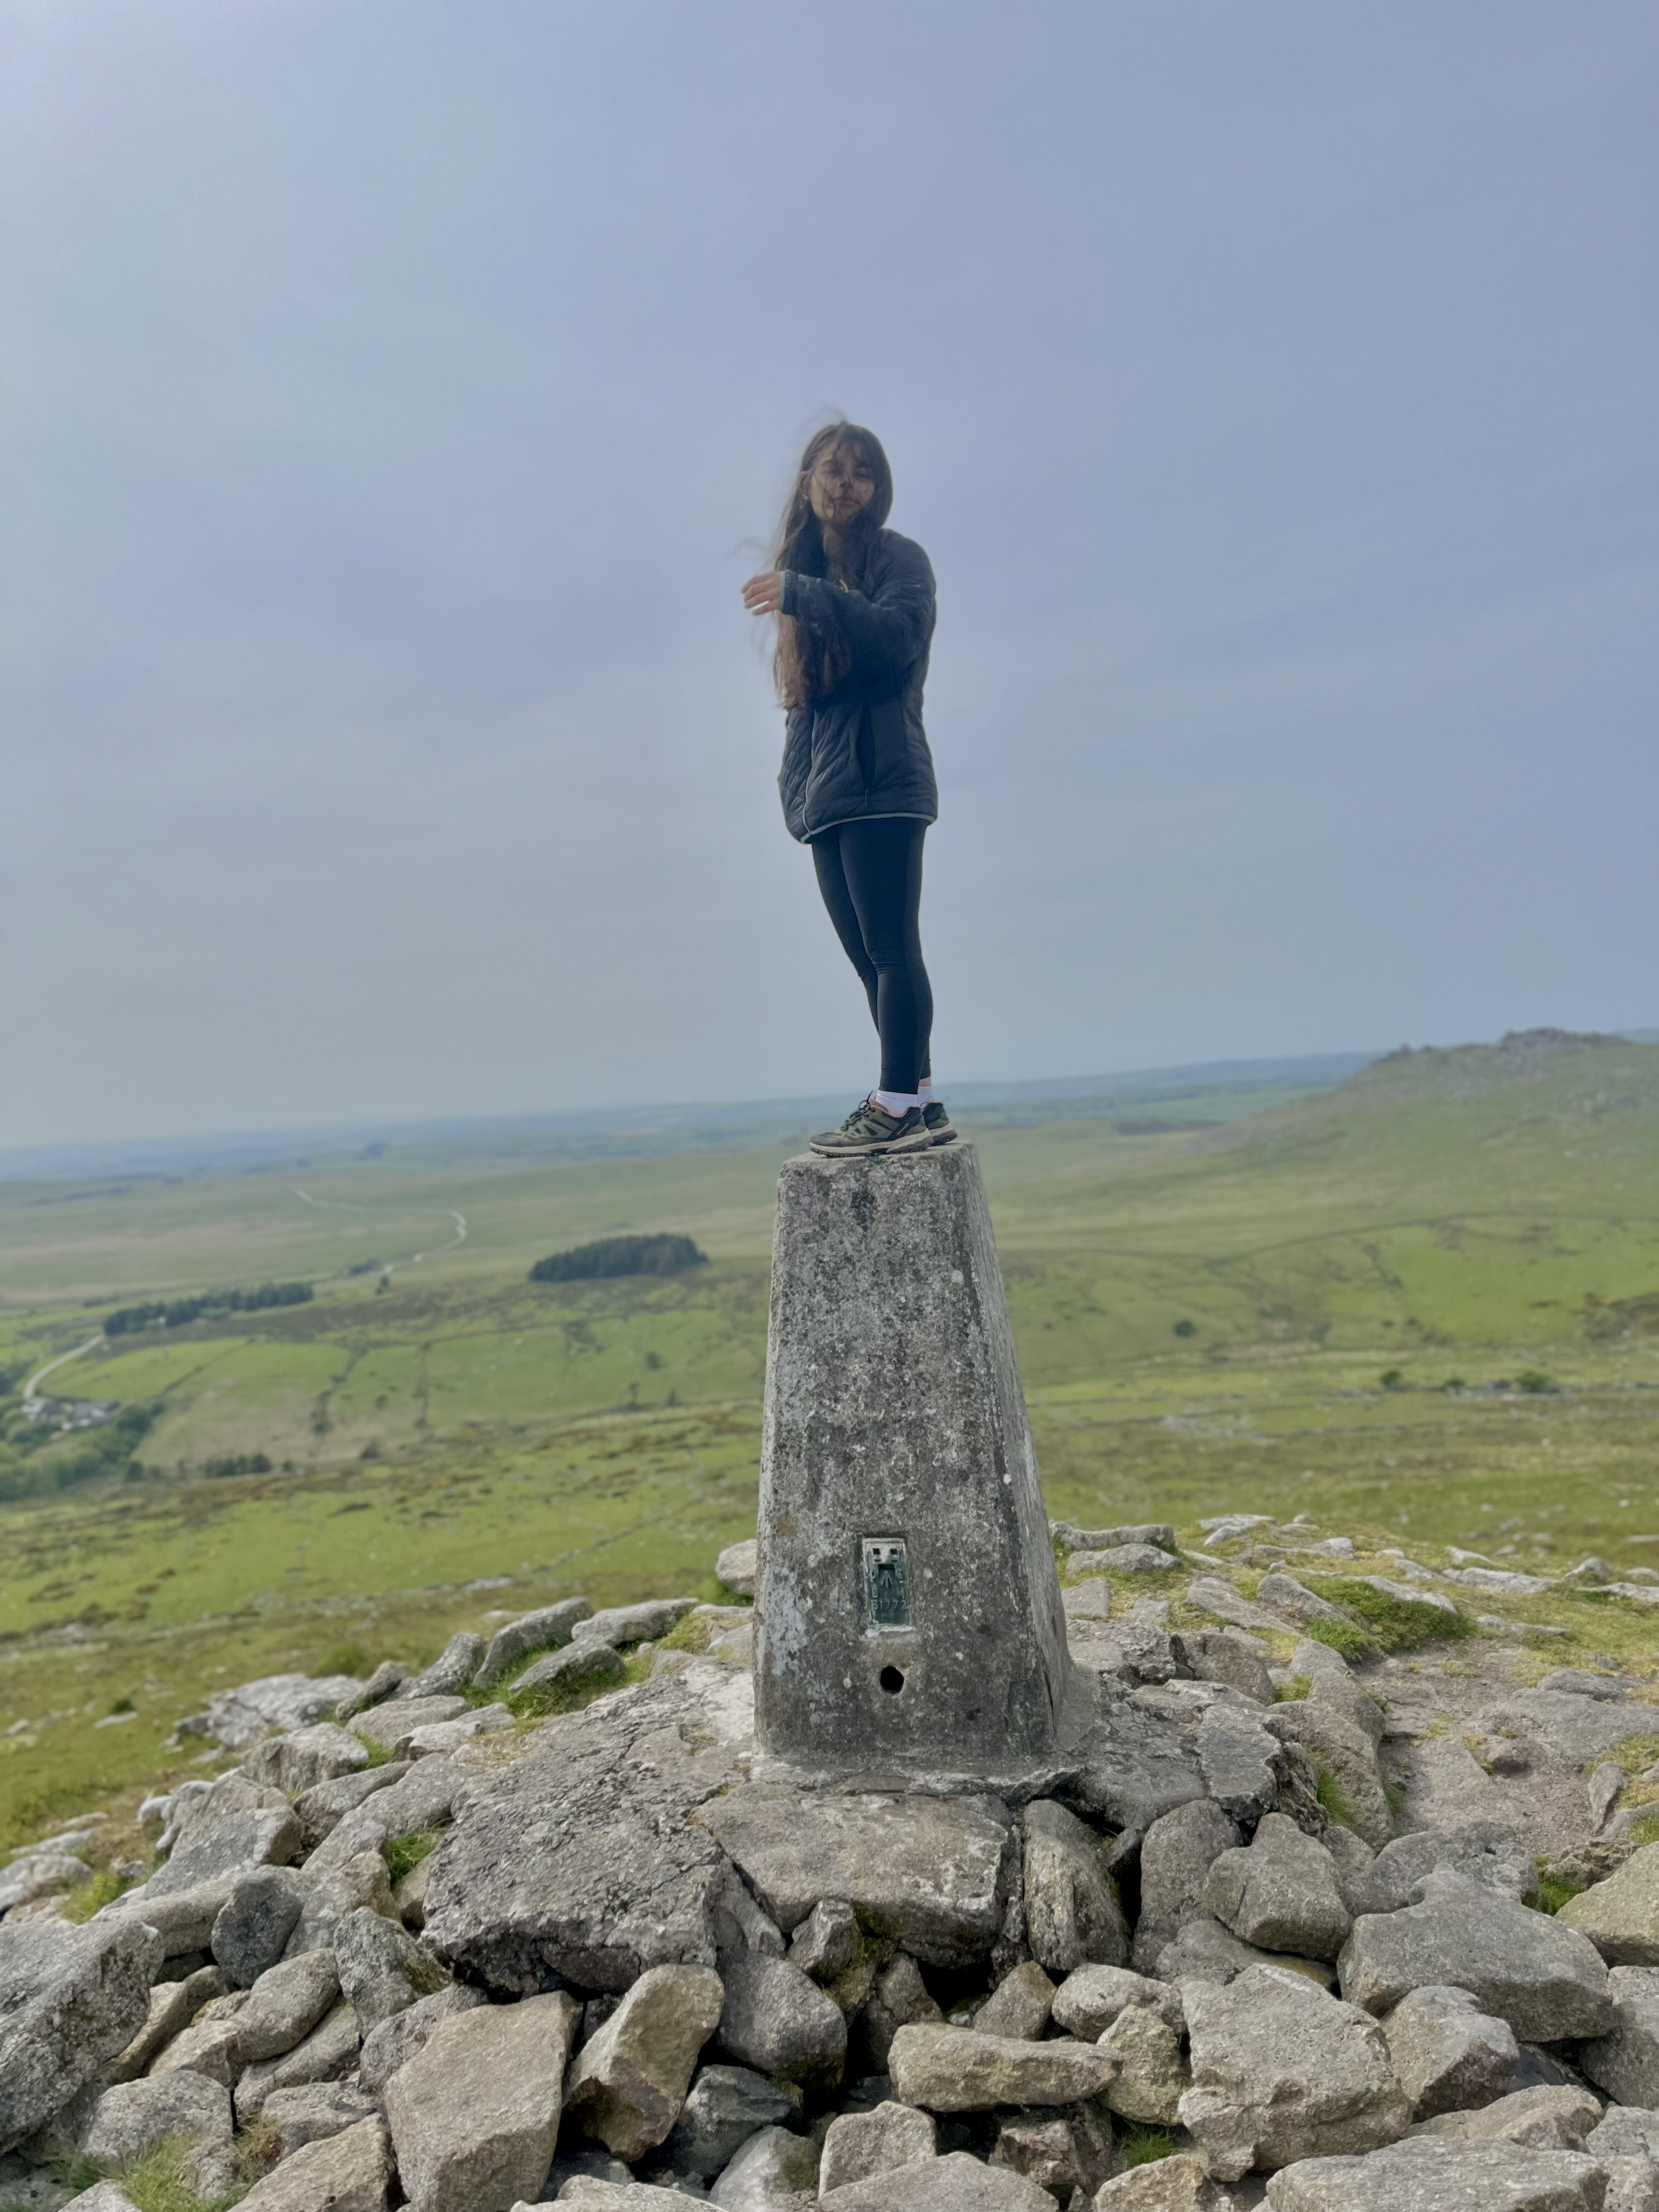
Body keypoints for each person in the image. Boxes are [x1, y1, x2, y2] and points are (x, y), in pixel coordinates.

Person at [742, 422, 953, 1158]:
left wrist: (804, 593)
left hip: (885, 782)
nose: (846, 484)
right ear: (808, 482)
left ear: (878, 490)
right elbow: (804, 709)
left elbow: (898, 637)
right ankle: (919, 1099)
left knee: (893, 949)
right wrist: (795, 798)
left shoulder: (899, 560)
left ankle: (894, 1101)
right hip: (830, 797)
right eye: (833, 470)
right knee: (869, 958)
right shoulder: (810, 580)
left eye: (863, 473)